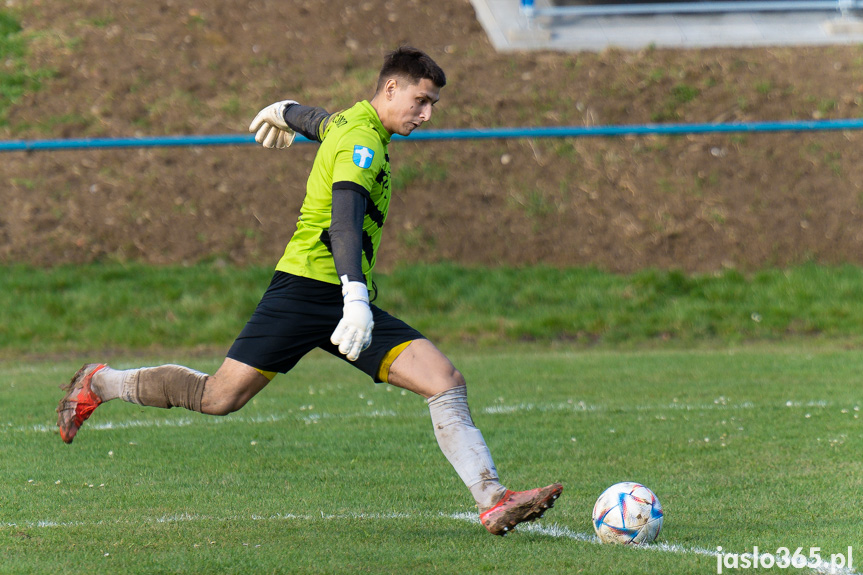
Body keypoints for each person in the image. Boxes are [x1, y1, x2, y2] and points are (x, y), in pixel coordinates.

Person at [56, 46, 562, 536]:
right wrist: (356, 299)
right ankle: (101, 383)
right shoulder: (362, 143)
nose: (427, 113)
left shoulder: (351, 123)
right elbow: (343, 224)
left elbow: (317, 121)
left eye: (432, 104)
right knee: (219, 397)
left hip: (342, 296)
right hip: (306, 292)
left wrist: (282, 110)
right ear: (390, 88)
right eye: (421, 100)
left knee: (444, 379)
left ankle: (493, 501)